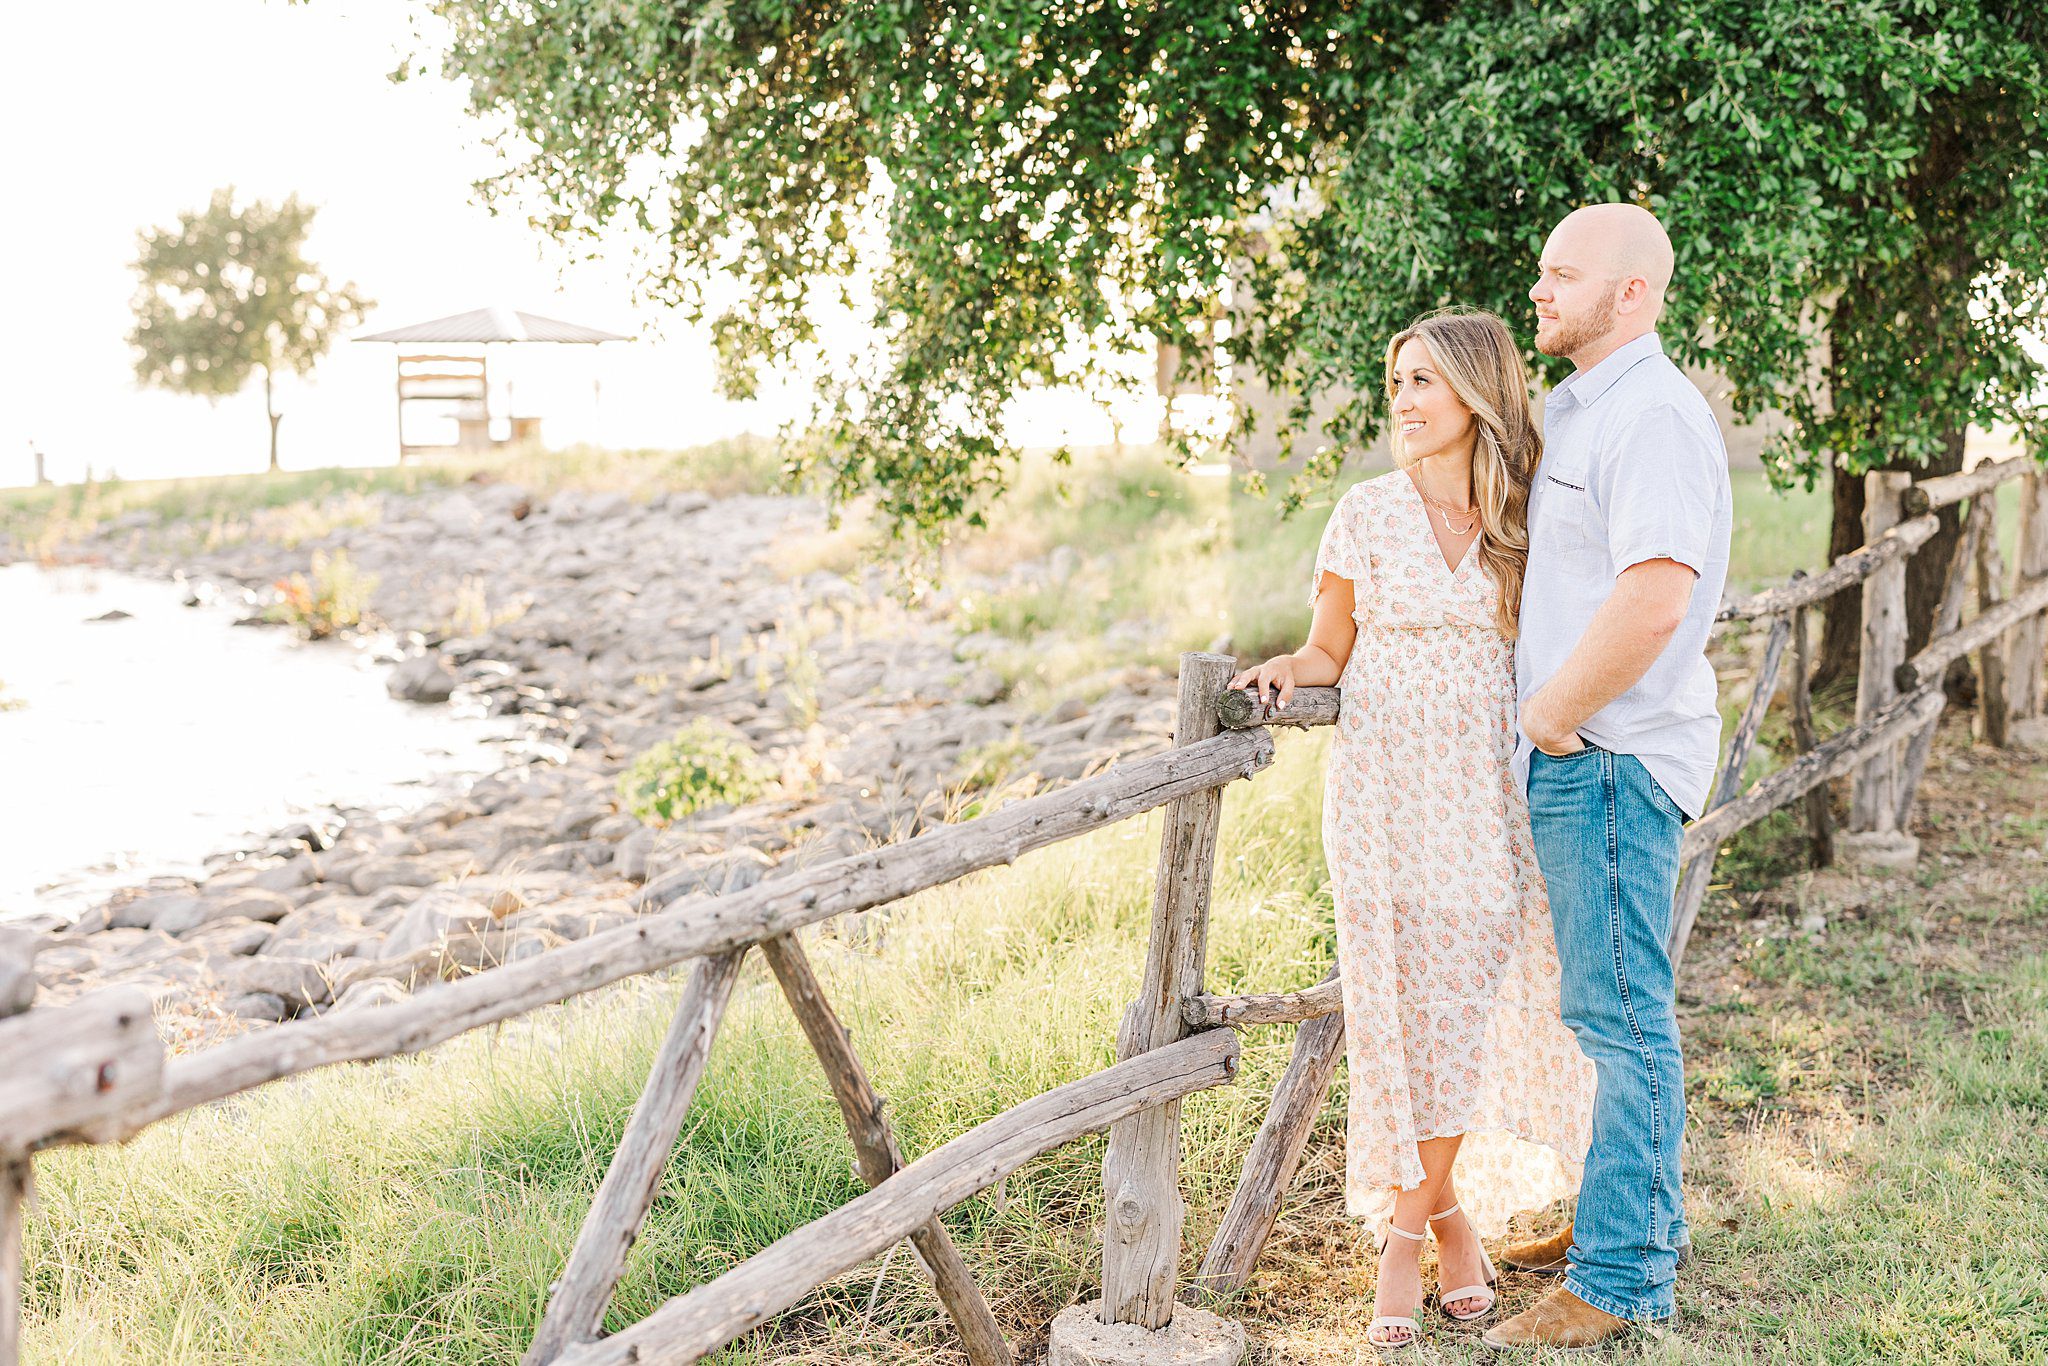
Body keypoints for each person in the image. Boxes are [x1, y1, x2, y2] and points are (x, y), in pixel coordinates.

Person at [1229, 308, 1595, 1351]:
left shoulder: (1523, 518)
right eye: (1394, 380)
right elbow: (1325, 652)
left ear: (1477, 395)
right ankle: (1446, 1225)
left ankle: (1405, 1229)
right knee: (1396, 1010)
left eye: (1423, 381)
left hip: (1485, 797)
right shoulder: (1362, 514)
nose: (1400, 398)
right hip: (1382, 797)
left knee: (1465, 1007)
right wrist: (1279, 672)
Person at [1482, 203, 1733, 1351]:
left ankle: (1620, 1278)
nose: (1536, 289)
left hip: (1611, 756)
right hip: (1590, 754)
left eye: (1560, 274)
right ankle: (1616, 1219)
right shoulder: (1588, 410)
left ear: (1630, 291)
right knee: (1604, 1010)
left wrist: (1550, 714)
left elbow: (1654, 594)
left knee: (1623, 1019)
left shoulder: (1650, 417)